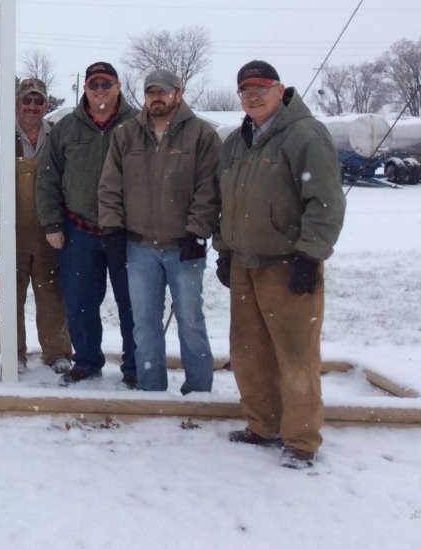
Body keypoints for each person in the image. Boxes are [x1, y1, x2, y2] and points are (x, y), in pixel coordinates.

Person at [215, 60, 345, 469]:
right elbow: (224, 201)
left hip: (288, 265)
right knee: (248, 351)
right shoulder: (236, 142)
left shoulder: (305, 134)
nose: (253, 96)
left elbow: (325, 201)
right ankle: (263, 425)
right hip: (244, 263)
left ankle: (301, 440)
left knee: (295, 354)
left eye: (260, 88)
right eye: (245, 90)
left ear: (279, 90)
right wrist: (224, 250)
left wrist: (310, 255)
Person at [98, 69, 220, 395]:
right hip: (140, 248)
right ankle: (150, 389)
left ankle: (199, 391)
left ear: (178, 93)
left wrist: (197, 231)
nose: (156, 98)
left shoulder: (202, 135)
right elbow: (110, 186)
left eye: (163, 92)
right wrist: (112, 228)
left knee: (191, 323)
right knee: (144, 324)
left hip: (184, 247)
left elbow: (209, 188)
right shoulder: (126, 135)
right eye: (151, 92)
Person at [36, 61, 138, 387]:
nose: (99, 90)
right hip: (79, 231)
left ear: (118, 86)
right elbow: (48, 178)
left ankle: (136, 367)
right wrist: (52, 224)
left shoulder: (138, 125)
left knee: (133, 304)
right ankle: (87, 361)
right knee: (80, 302)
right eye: (93, 84)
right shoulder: (67, 127)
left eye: (106, 84)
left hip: (128, 233)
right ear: (85, 89)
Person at [0, 78, 71, 374]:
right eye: (27, 100)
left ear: (45, 104)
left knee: (52, 294)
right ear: (16, 103)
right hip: (10, 229)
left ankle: (57, 352)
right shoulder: (0, 135)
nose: (32, 106)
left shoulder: (56, 135)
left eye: (38, 101)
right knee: (10, 294)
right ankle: (13, 354)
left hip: (49, 230)